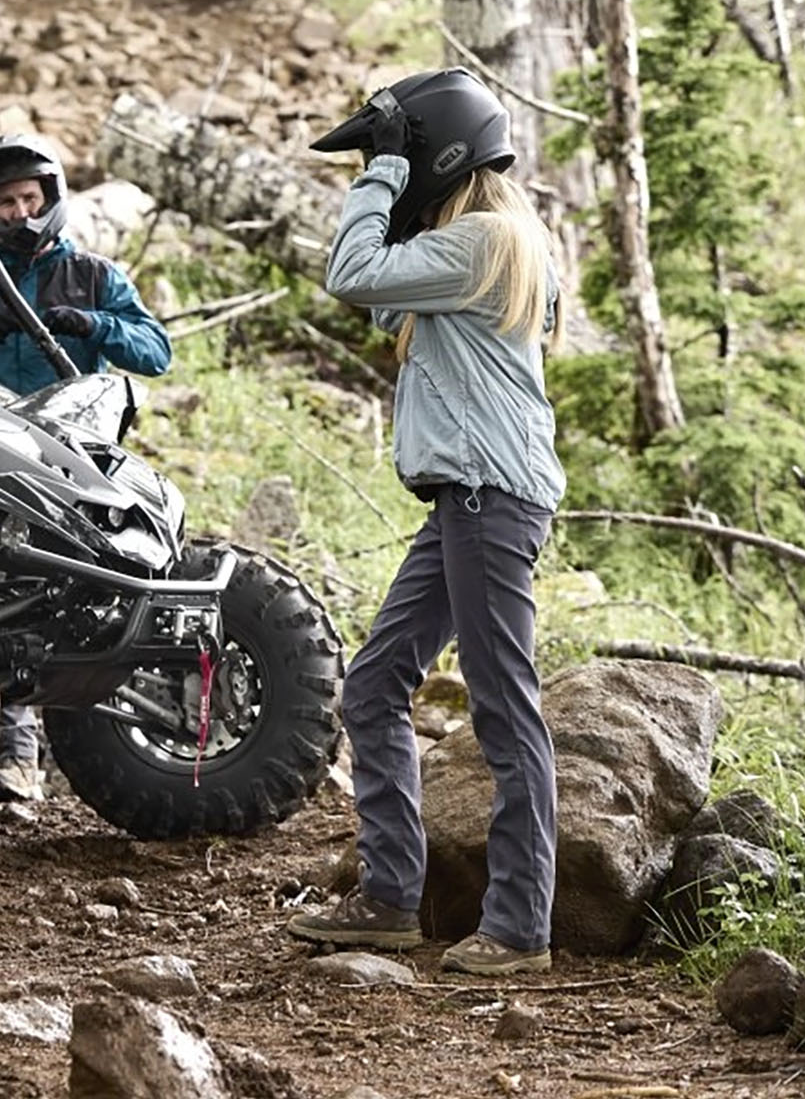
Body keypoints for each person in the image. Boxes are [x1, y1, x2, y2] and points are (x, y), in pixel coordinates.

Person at [284, 68, 566, 977]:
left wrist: (380, 180)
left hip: (490, 500)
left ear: (436, 156)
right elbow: (382, 297)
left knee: (502, 707)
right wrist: (396, 188)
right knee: (373, 686)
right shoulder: (480, 244)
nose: (381, 168)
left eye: (396, 154)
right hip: (466, 498)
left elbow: (350, 272)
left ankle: (521, 928)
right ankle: (390, 899)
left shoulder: (489, 239)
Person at [0, 133, 172, 802]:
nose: (19, 213)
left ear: (51, 198)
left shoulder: (93, 275)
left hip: (72, 458)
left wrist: (91, 324)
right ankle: (12, 750)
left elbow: (155, 351)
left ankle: (105, 731)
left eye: (30, 198)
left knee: (77, 586)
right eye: (5, 202)